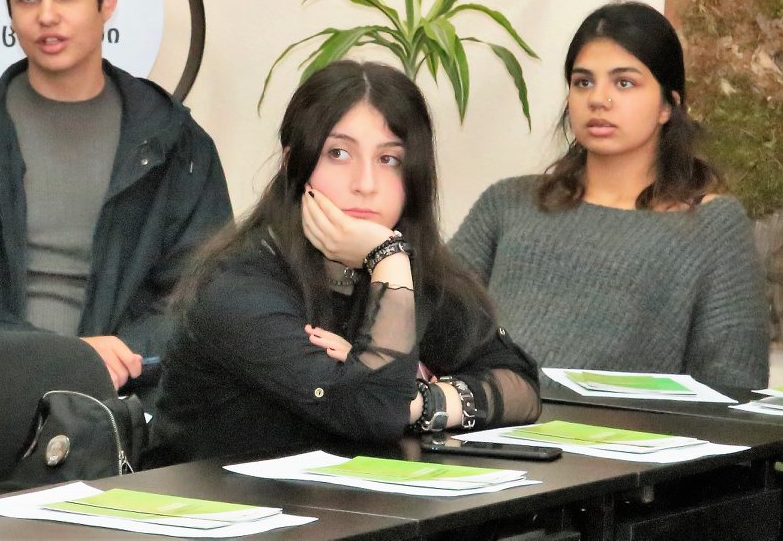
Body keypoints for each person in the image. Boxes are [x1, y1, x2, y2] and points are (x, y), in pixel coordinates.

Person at [154, 60, 541, 463]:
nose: (365, 184)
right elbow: (374, 413)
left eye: (389, 159)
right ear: (292, 164)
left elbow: (520, 384)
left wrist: (418, 400)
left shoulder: (412, 271)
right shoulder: (237, 285)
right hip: (212, 499)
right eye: (338, 154)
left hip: (350, 500)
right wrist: (388, 259)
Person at [0, 0, 231, 389]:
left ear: (107, 0)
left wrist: (113, 361)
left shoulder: (175, 142)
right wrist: (64, 358)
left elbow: (199, 298)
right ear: (10, 9)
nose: (46, 15)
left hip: (131, 397)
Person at [450, 1, 769, 386]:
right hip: (485, 418)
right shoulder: (508, 202)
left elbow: (734, 385)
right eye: (583, 82)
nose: (598, 99)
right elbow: (430, 323)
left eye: (624, 83)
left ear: (668, 106)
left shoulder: (712, 226)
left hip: (621, 425)